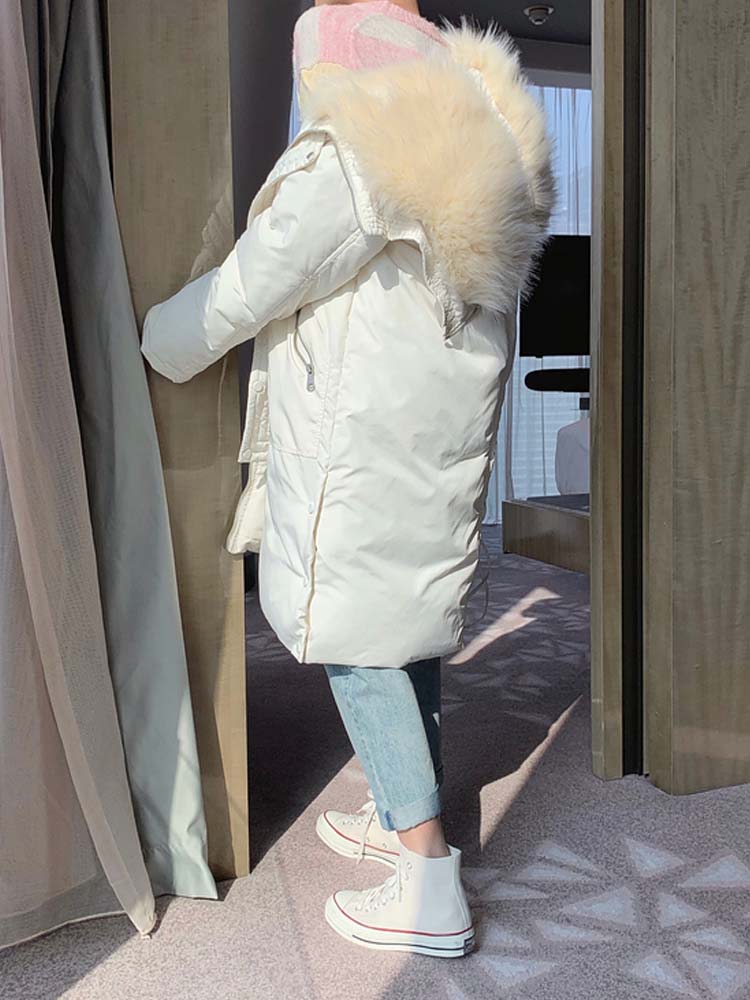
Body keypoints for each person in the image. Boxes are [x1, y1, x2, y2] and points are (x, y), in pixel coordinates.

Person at [141, 0, 553, 958]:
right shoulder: (483, 148)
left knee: (357, 643)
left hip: (358, 443)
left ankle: (428, 882)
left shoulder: (363, 148)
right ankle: (401, 810)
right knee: (402, 629)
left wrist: (152, 342)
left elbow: (257, 279)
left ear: (328, 69)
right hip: (428, 438)